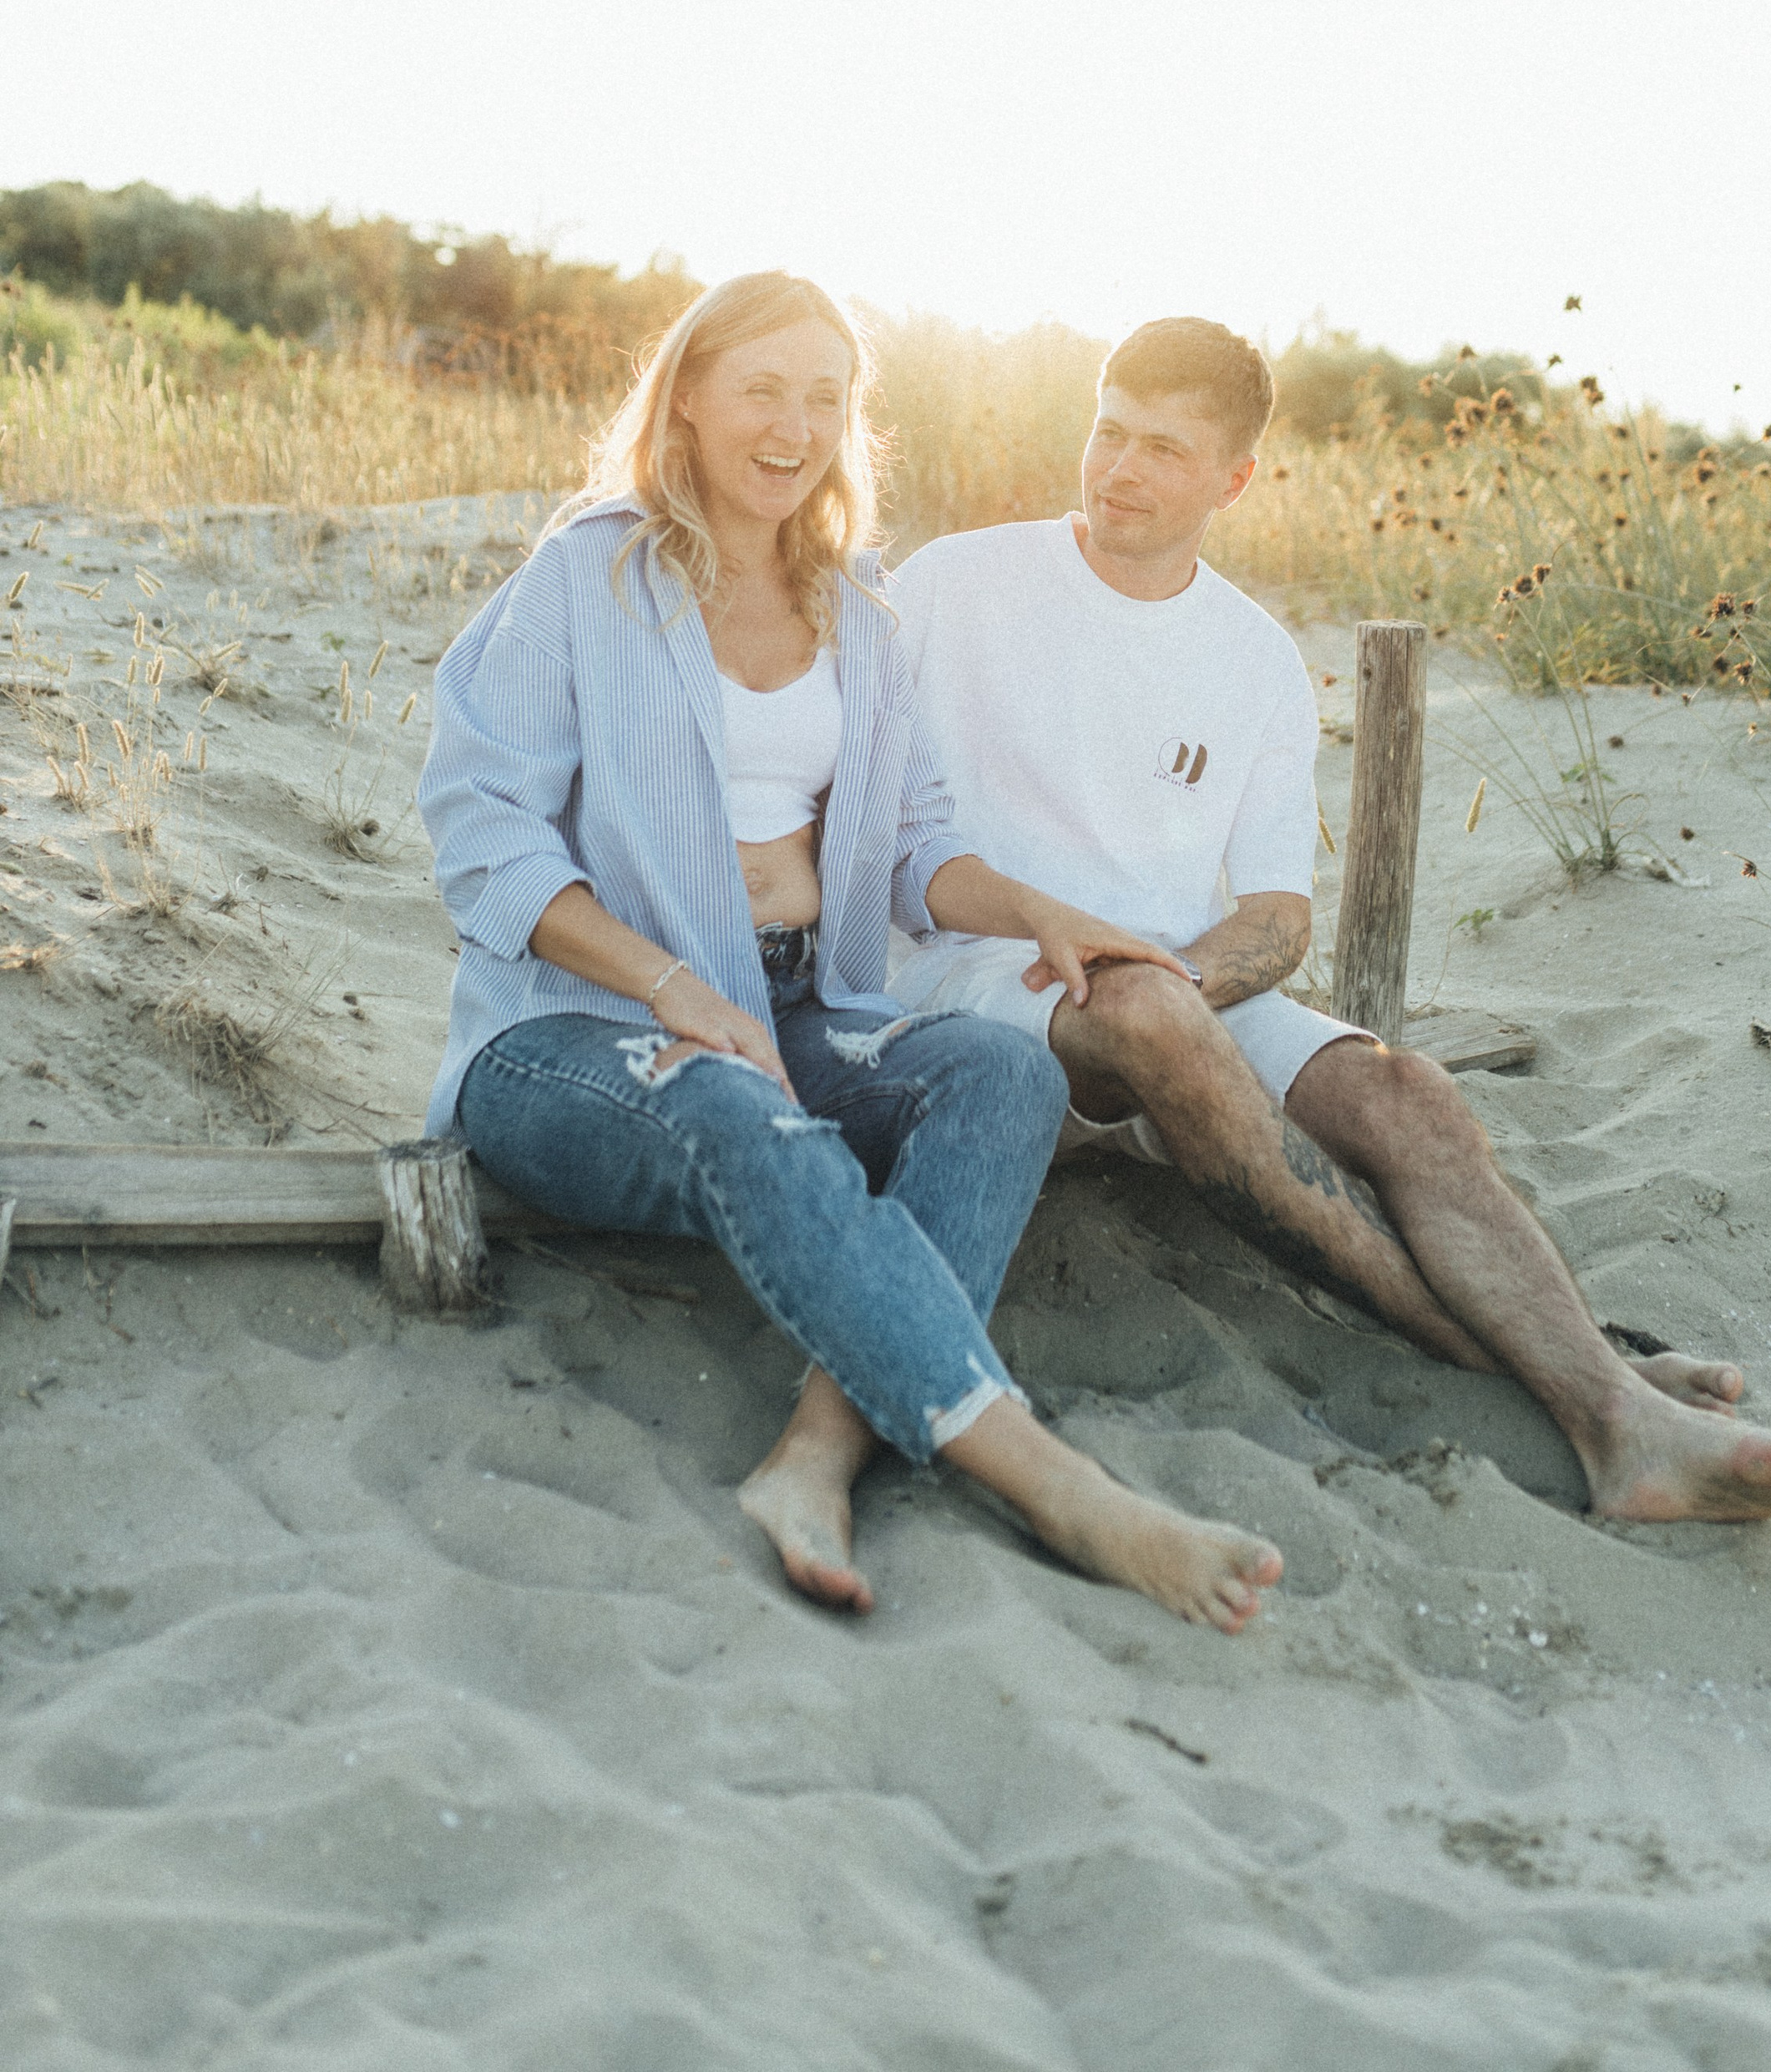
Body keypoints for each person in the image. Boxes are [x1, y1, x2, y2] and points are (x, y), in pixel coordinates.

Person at [788, 315, 1771, 1532]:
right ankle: (1605, 1393)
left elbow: (1280, 919)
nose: (1121, 470)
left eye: (1166, 451)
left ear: (1234, 479)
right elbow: (863, 819)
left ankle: (1598, 1393)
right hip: (981, 974)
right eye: (1110, 432)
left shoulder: (1253, 657)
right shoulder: (958, 584)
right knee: (1145, 1013)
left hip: (1181, 993)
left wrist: (1179, 984)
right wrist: (1146, 1001)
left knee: (1412, 1101)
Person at [417, 271, 1283, 1630]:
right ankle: (1058, 1485)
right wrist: (672, 983)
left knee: (1006, 1076)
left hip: (792, 1003)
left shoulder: (859, 612)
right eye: (762, 388)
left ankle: (816, 1452)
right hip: (570, 1029)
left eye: (827, 397)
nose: (794, 425)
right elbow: (480, 832)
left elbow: (916, 847)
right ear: (689, 397)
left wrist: (1032, 909)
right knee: (732, 1098)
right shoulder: (591, 572)